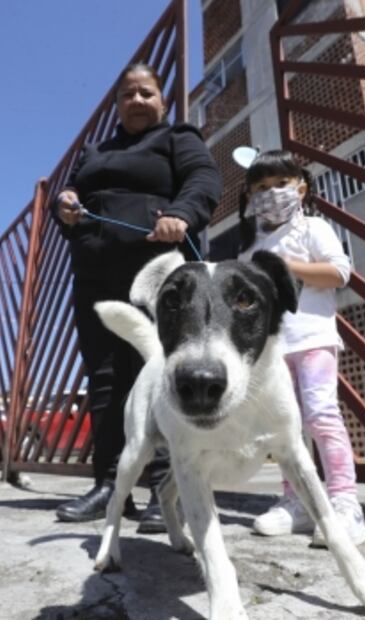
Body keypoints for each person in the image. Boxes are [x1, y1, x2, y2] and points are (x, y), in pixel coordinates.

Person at [51, 63, 221, 532]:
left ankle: (168, 489)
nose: (138, 100)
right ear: (118, 105)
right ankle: (109, 484)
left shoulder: (176, 139)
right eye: (128, 94)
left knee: (160, 374)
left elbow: (204, 181)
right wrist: (61, 205)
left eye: (146, 92)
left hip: (156, 271)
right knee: (105, 379)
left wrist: (183, 214)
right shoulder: (95, 151)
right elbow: (69, 196)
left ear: (161, 101)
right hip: (95, 275)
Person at [238, 150, 365, 547]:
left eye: (281, 183)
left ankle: (346, 505)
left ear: (301, 188)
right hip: (273, 351)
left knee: (321, 417)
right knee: (285, 428)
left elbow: (339, 273)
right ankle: (295, 502)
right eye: (261, 187)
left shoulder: (313, 227)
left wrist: (284, 267)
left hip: (313, 339)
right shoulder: (249, 248)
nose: (272, 193)